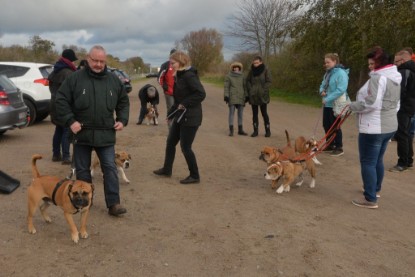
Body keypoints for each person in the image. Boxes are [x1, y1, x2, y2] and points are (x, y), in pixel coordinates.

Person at [55, 45, 130, 216]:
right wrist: (70, 120)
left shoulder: (113, 80)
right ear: (88, 59)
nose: (98, 64)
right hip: (82, 134)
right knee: (82, 170)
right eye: (95, 60)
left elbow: (123, 102)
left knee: (110, 168)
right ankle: (84, 202)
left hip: (106, 134)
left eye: (101, 61)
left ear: (105, 61)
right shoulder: (74, 79)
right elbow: (61, 100)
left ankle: (114, 204)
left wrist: (122, 119)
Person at [349, 46, 401, 209]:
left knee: (368, 162)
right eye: (369, 63)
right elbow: (396, 104)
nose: (369, 66)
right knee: (376, 160)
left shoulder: (379, 78)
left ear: (380, 63)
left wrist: (352, 106)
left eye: (372, 63)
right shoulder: (394, 78)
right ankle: (374, 189)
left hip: (374, 128)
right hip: (388, 126)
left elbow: (371, 103)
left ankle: (370, 198)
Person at [153, 51, 206, 184]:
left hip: (191, 117)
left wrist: (185, 103)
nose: (171, 66)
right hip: (180, 116)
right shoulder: (179, 76)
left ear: (181, 62)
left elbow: (201, 94)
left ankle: (195, 175)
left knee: (185, 147)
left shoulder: (189, 76)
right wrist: (171, 114)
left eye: (173, 63)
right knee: (170, 142)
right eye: (171, 63)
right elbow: (177, 99)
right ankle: (167, 169)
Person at [48, 49, 78, 164]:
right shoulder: (68, 72)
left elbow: (51, 87)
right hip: (64, 104)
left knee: (58, 130)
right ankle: (66, 157)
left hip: (54, 103)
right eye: (72, 60)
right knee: (66, 130)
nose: (74, 63)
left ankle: (56, 154)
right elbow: (72, 91)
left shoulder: (55, 70)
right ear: (69, 60)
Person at [389, 50, 415, 172]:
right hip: (409, 106)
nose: (394, 64)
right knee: (407, 133)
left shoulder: (405, 71)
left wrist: (394, 104)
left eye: (396, 62)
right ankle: (408, 160)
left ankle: (402, 162)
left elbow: (401, 91)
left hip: (404, 107)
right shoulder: (410, 70)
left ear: (403, 61)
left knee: (402, 133)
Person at [319, 53, 349, 156]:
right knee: (326, 124)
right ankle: (330, 144)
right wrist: (321, 91)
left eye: (328, 62)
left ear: (335, 62)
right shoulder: (327, 73)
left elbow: (341, 89)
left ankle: (339, 147)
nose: (326, 64)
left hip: (337, 104)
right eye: (325, 62)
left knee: (335, 126)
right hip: (327, 104)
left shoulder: (341, 73)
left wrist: (327, 98)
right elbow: (322, 85)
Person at [246, 56, 272, 137]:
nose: (255, 64)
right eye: (254, 63)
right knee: (254, 114)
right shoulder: (251, 71)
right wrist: (251, 89)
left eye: (257, 63)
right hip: (253, 95)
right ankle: (255, 131)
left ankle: (267, 131)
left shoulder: (265, 70)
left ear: (261, 62)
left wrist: (263, 90)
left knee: (264, 113)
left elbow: (269, 81)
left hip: (263, 96)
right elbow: (247, 81)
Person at [224, 62, 248, 136]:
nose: (236, 68)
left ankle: (240, 130)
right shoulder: (228, 76)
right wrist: (226, 96)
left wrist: (247, 95)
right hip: (232, 96)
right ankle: (231, 130)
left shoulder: (243, 76)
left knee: (240, 114)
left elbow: (245, 86)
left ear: (239, 68)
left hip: (241, 96)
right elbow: (226, 87)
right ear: (232, 68)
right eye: (234, 67)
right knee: (231, 113)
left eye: (237, 67)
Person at [158, 49, 176, 128]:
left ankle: (177, 126)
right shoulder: (165, 65)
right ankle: (171, 127)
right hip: (169, 92)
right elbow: (159, 78)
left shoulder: (180, 65)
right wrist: (165, 87)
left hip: (179, 92)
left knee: (179, 109)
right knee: (171, 108)